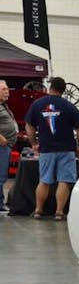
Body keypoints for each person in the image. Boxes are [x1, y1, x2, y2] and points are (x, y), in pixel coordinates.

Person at [24, 77, 79, 220]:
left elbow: (29, 126)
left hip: (46, 149)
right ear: (64, 90)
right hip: (66, 149)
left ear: (50, 87)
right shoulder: (69, 106)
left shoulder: (37, 104)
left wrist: (34, 143)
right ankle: (59, 212)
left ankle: (38, 210)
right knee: (64, 181)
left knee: (44, 180)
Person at [0, 80, 18, 212]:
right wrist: (1, 138)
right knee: (1, 177)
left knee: (2, 176)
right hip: (2, 146)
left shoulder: (3, 106)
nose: (7, 92)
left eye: (7, 89)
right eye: (4, 89)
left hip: (6, 146)